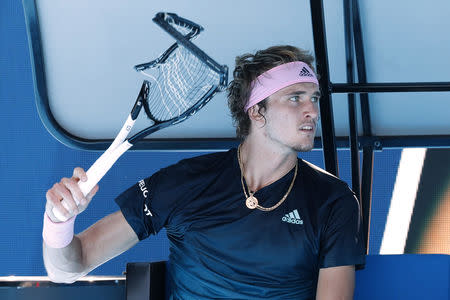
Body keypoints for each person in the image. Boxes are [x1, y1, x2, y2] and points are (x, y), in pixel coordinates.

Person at [43, 45, 366, 299]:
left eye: (314, 98)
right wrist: (59, 221)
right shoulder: (186, 180)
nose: (312, 110)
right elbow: (69, 267)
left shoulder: (333, 200)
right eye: (295, 98)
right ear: (256, 111)